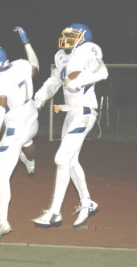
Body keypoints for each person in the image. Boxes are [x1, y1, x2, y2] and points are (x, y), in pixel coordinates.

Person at [32, 23, 108, 228]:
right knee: (71, 161)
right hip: (70, 113)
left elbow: (102, 72)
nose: (66, 38)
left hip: (84, 111)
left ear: (83, 37)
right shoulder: (61, 56)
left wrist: (82, 79)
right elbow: (53, 82)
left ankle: (55, 213)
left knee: (61, 158)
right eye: (66, 35)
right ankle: (87, 202)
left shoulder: (87, 50)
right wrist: (37, 101)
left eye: (72, 35)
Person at [0, 26, 39, 241]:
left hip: (15, 126)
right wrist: (26, 42)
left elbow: (0, 106)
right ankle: (30, 162)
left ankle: (3, 222)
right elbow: (36, 67)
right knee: (28, 142)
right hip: (32, 116)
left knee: (2, 175)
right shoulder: (20, 65)